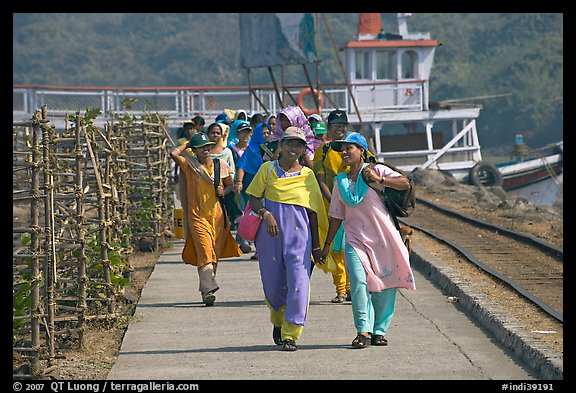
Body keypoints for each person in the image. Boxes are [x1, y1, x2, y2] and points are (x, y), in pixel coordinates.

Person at [318, 131, 416, 348]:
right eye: (341, 149)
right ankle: (363, 330)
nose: (344, 152)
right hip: (355, 239)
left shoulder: (376, 171)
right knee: (359, 283)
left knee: (386, 284)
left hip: (384, 238)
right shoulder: (340, 181)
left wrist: (380, 180)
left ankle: (379, 330)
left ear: (361, 151)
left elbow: (405, 184)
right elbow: (336, 215)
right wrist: (326, 245)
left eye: (349, 148)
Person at [246, 126, 335, 351]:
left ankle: (291, 333)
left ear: (304, 149)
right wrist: (265, 214)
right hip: (270, 237)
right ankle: (278, 320)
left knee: (298, 284)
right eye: (289, 143)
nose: (293, 148)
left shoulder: (308, 176)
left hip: (300, 239)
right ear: (281, 145)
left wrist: (316, 246)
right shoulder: (267, 170)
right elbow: (254, 198)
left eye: (298, 144)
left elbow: (314, 212)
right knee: (273, 286)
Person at [170, 132, 242, 306]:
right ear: (195, 151)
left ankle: (206, 290)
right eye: (201, 147)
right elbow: (174, 154)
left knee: (214, 254)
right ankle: (209, 288)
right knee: (204, 250)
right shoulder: (190, 165)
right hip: (197, 217)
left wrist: (224, 191)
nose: (206, 150)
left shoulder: (220, 165)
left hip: (217, 217)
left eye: (207, 146)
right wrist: (187, 143)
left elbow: (230, 185)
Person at [312, 109, 351, 303]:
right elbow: (320, 180)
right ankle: (342, 289)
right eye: (336, 126)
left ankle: (353, 288)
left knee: (353, 249)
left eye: (343, 125)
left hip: (355, 206)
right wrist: (334, 201)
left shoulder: (356, 147)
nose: (340, 129)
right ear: (329, 128)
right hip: (332, 207)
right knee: (336, 250)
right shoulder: (323, 151)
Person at [207, 122, 244, 238]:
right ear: (208, 134)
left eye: (218, 133)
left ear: (221, 135)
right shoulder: (204, 152)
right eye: (213, 133)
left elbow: (232, 171)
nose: (215, 135)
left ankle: (241, 237)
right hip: (207, 190)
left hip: (225, 189)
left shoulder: (226, 152)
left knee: (233, 211)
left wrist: (225, 187)